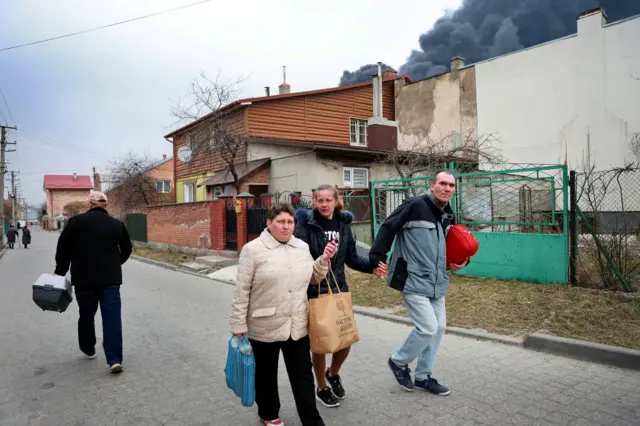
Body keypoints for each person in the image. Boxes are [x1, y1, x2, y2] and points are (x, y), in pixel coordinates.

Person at [230, 203, 338, 426]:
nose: (286, 226)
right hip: (264, 324)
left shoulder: (301, 247)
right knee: (266, 375)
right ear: (269, 223)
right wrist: (238, 324)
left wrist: (324, 261)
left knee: (303, 377)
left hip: (297, 323)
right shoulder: (253, 249)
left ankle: (312, 419)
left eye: (290, 222)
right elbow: (241, 290)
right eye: (280, 221)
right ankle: (269, 414)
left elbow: (313, 279)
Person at [369, 171, 471, 396]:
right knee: (427, 327)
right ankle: (398, 361)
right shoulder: (414, 205)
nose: (447, 188)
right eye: (442, 184)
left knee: (439, 328)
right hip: (412, 277)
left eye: (451, 185)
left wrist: (460, 260)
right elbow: (388, 227)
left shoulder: (448, 213)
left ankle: (423, 376)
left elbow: (453, 242)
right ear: (432, 186)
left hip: (437, 280)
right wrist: (377, 257)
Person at [294, 184, 387, 408]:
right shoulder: (305, 225)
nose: (324, 204)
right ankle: (321, 386)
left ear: (337, 201)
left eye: (329, 200)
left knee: (347, 337)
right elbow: (298, 259)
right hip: (314, 290)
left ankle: (333, 374)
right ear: (314, 202)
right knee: (320, 343)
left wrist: (372, 268)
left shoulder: (344, 224)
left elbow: (352, 257)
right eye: (320, 200)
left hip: (339, 288)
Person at [54, 191, 132, 374]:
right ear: (106, 205)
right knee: (112, 318)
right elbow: (127, 248)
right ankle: (114, 359)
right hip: (110, 280)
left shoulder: (75, 222)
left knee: (86, 314)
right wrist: (115, 262)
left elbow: (63, 249)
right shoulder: (116, 224)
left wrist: (60, 272)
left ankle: (88, 347)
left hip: (83, 279)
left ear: (89, 205)